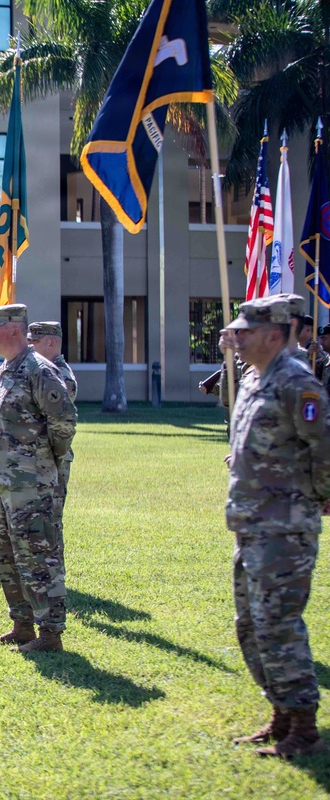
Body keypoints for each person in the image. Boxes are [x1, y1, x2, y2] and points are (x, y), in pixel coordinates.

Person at [226, 297, 330, 758]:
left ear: (274, 335)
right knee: (250, 625)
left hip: (285, 527)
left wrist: (319, 497)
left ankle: (304, 728)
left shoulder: (296, 383)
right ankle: (282, 713)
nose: (237, 337)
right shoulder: (254, 381)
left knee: (278, 624)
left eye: (246, 331)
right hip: (252, 523)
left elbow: (323, 447)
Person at [0, 304, 77, 653]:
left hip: (31, 482)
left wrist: (41, 461)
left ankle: (50, 634)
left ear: (16, 331)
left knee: (39, 557)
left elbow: (63, 424)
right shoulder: (4, 370)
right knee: (7, 558)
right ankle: (21, 626)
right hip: (3, 481)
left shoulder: (41, 371)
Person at [27, 321, 78, 531]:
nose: (29, 346)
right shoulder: (39, 370)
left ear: (50, 342)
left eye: (34, 342)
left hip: (53, 460)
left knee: (50, 521)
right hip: (36, 458)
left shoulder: (61, 376)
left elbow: (60, 422)